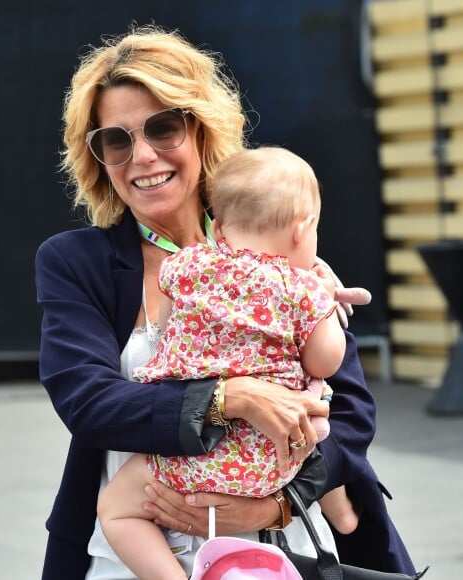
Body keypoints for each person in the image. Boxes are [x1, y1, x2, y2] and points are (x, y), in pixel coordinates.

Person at [35, 24, 417, 579]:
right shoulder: (75, 261)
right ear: (97, 156)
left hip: (276, 555)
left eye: (163, 129)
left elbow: (350, 410)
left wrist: (276, 504)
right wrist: (228, 397)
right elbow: (88, 403)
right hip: (123, 564)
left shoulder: (275, 247)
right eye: (116, 140)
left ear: (201, 129)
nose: (142, 156)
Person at [96, 146, 359, 579]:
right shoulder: (304, 287)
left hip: (186, 454)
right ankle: (341, 508)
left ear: (217, 228)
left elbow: (166, 314)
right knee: (316, 410)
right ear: (304, 229)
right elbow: (327, 361)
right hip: (270, 457)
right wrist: (325, 308)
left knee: (117, 510)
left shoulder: (188, 266)